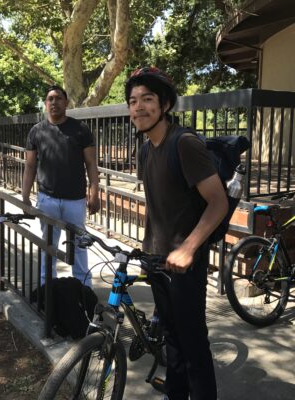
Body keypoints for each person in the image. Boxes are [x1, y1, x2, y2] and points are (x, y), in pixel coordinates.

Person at [125, 68, 228, 400]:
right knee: (171, 337)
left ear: (165, 104)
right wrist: (147, 247)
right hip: (158, 259)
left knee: (193, 342)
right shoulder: (145, 151)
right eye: (132, 101)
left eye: (148, 99)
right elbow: (161, 205)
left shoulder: (183, 144)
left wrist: (188, 247)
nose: (139, 107)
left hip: (186, 262)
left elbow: (218, 202)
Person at [22, 85, 100, 287]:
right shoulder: (36, 131)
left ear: (66, 102)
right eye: (50, 99)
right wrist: (24, 197)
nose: (54, 102)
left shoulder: (80, 130)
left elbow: (91, 164)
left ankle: (84, 287)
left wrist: (94, 194)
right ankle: (46, 285)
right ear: (45, 104)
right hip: (47, 198)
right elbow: (30, 166)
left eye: (58, 98)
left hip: (76, 200)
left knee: (79, 245)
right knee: (48, 244)